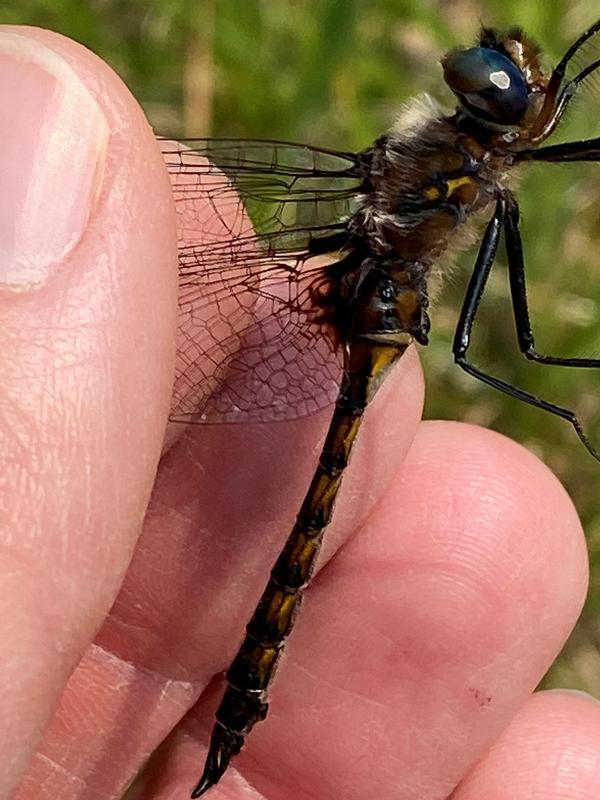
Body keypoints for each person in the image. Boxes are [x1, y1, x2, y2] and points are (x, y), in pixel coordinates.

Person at [3, 24, 600, 800]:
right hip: (370, 296)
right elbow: (511, 345)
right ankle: (238, 706)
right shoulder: (462, 164)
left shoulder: (464, 155)